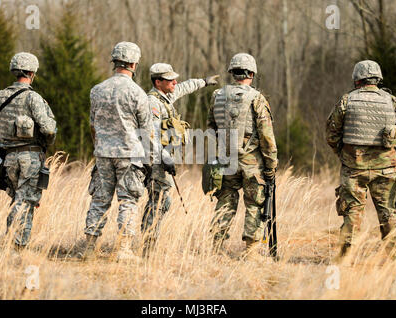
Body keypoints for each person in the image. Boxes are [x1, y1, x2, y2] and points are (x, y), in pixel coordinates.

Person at [326, 60, 396, 263]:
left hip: (354, 167)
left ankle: (344, 259)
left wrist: (343, 154)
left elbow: (331, 132)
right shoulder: (392, 101)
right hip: (386, 168)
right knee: (388, 215)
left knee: (352, 213)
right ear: (378, 79)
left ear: (357, 79)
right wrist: (394, 152)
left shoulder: (347, 100)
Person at [81, 42, 152, 262]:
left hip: (103, 154)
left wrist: (101, 145)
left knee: (99, 201)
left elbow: (92, 125)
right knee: (128, 201)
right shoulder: (138, 93)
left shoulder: (97, 90)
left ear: (115, 62)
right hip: (129, 155)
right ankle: (123, 250)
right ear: (133, 63)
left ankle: (89, 249)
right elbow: (146, 130)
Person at [141, 63, 219, 253]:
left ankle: (149, 243)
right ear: (158, 82)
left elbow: (184, 87)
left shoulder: (166, 97)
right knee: (158, 202)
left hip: (164, 160)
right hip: (157, 161)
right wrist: (165, 158)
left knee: (161, 201)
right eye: (170, 80)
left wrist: (204, 82)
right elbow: (150, 135)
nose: (175, 82)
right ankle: (147, 245)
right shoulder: (153, 103)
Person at [206, 53, 278, 257]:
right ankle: (251, 251)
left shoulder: (217, 95)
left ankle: (216, 248)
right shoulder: (257, 98)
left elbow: (210, 129)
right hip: (251, 162)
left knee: (225, 203)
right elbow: (267, 135)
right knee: (254, 204)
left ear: (232, 72)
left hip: (225, 160)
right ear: (252, 73)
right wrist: (271, 165)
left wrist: (215, 158)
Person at [0, 52, 56, 250]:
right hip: (30, 158)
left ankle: (19, 247)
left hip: (8, 157)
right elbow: (49, 129)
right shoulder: (33, 98)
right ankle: (13, 242)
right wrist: (47, 141)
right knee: (24, 201)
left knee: (19, 199)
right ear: (32, 73)